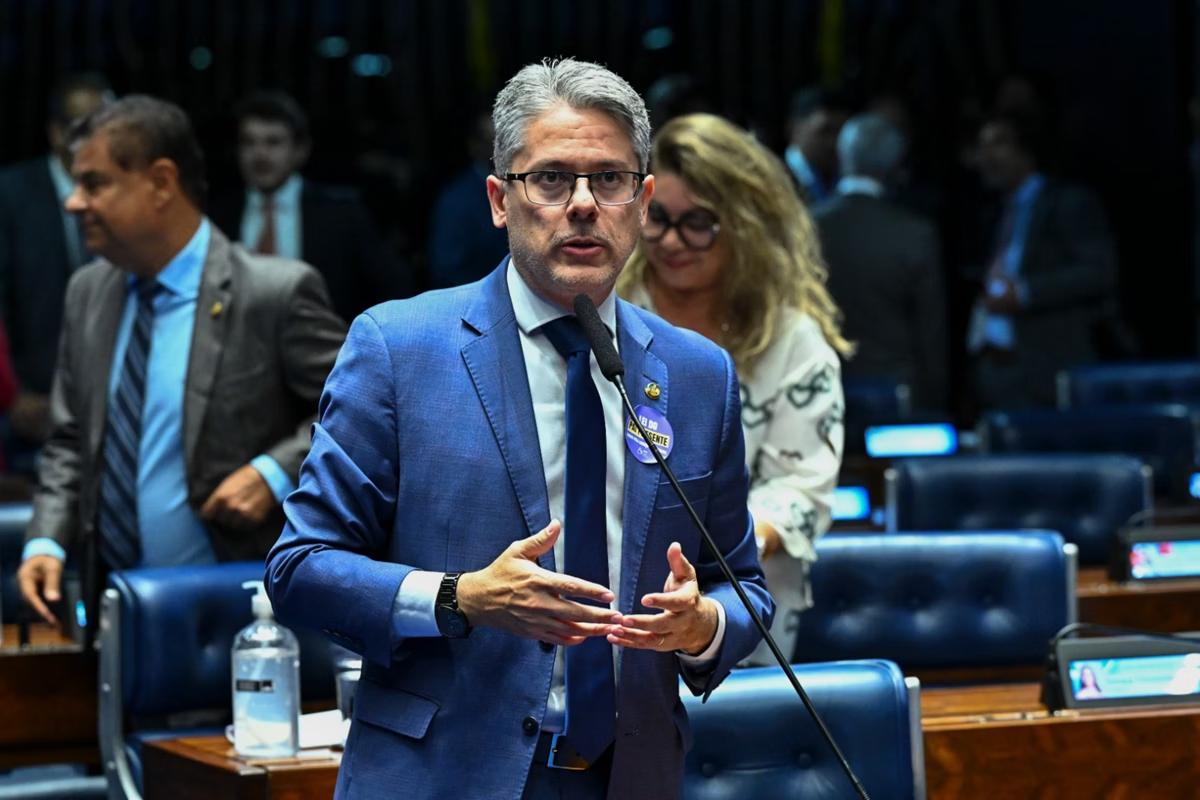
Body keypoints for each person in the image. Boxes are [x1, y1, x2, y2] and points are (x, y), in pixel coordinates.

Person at [265, 59, 772, 799]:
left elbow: (744, 589)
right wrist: (460, 596)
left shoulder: (698, 375)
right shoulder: (398, 348)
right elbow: (300, 567)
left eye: (609, 180)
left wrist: (700, 627)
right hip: (445, 773)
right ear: (501, 200)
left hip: (628, 775)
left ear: (643, 199)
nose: (583, 205)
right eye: (552, 180)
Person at [17, 96, 346, 629]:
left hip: (240, 616)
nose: (74, 203)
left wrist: (274, 472)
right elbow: (71, 439)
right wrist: (47, 541)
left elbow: (359, 415)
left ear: (161, 182)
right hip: (113, 615)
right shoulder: (88, 292)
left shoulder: (272, 292)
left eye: (94, 183)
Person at [617, 113, 849, 666]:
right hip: (611, 599)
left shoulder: (792, 339)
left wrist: (714, 550)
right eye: (660, 219)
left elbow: (801, 489)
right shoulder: (606, 314)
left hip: (737, 605)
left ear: (746, 225)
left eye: (699, 223)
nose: (672, 241)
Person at [210, 90, 407, 322]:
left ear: (300, 150)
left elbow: (391, 287)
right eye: (249, 142)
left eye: (273, 142)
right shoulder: (217, 216)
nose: (260, 154)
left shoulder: (342, 214)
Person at [966, 113, 1118, 410]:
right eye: (981, 146)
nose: (986, 156)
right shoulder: (991, 214)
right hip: (997, 369)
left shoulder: (1067, 202)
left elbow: (1098, 273)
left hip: (1048, 367)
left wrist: (1025, 293)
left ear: (1026, 149)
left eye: (998, 143)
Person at [0, 74, 113, 466]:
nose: (101, 137)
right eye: (87, 125)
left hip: (110, 406)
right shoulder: (12, 193)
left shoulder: (121, 191)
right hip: (27, 403)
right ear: (56, 133)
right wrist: (12, 393)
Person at [815, 112, 946, 411]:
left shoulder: (806, 226)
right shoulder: (915, 235)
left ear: (842, 155)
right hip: (899, 396)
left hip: (819, 393)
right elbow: (931, 332)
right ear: (897, 165)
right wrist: (937, 402)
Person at [426, 110, 510, 289]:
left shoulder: (526, 184)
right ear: (474, 145)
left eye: (503, 139)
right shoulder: (457, 200)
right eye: (490, 139)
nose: (497, 147)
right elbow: (448, 269)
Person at [783, 87, 851, 206]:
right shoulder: (775, 175)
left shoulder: (846, 180)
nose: (834, 142)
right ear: (794, 129)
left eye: (841, 133)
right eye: (825, 131)